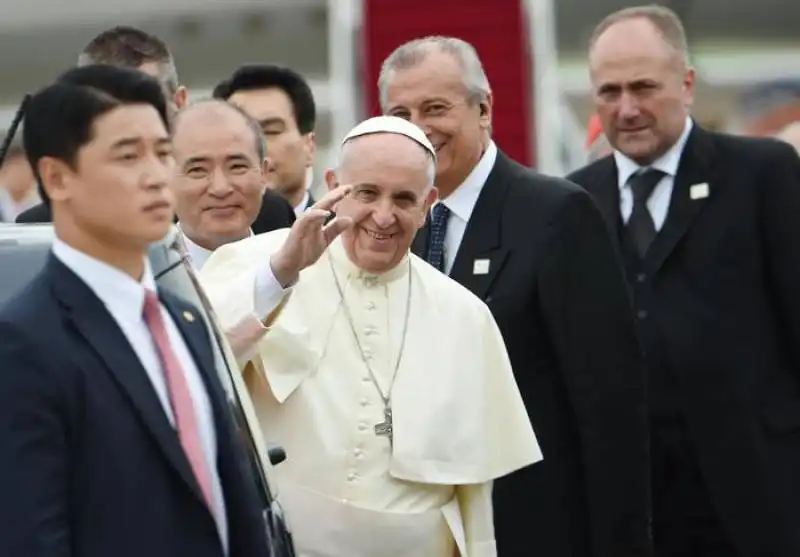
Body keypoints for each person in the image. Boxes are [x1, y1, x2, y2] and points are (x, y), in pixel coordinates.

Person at [199, 115, 541, 557]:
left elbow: (475, 494)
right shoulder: (259, 265)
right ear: (332, 184)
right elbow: (196, 365)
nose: (383, 216)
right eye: (366, 193)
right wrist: (279, 277)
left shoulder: (465, 316)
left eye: (403, 199)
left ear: (428, 204)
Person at [379, 36, 650, 557]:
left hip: (534, 525)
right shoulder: (385, 228)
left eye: (435, 108)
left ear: (484, 109)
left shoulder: (557, 215)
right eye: (401, 113)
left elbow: (609, 407)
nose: (418, 127)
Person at [0, 64, 277, 557]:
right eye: (128, 156)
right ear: (57, 177)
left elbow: (234, 509)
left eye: (163, 152)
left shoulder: (185, 319)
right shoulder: (24, 342)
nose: (155, 176)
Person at [567, 6, 800, 556]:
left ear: (687, 84)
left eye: (644, 87)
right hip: (636, 508)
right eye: (609, 92)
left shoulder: (763, 174)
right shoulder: (573, 203)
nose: (627, 109)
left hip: (759, 493)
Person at [15, 25, 296, 231]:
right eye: (106, 109)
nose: (130, 125)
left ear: (180, 101)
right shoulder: (44, 228)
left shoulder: (259, 212)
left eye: (146, 105)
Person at [214, 64, 318, 218]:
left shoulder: (343, 238)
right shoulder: (187, 238)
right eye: (237, 135)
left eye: (271, 131)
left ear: (309, 147)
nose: (253, 147)